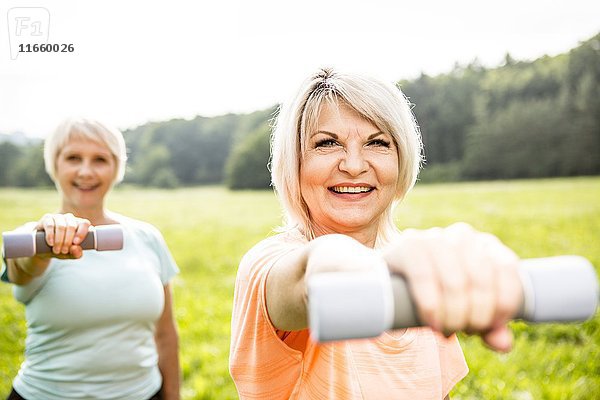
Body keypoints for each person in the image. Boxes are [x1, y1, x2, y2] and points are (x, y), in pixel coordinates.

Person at [229, 68, 523, 399]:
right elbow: (314, 274)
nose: (354, 165)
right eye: (327, 143)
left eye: (377, 142)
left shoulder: (418, 276)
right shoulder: (266, 265)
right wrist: (383, 268)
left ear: (400, 159)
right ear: (295, 162)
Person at [1, 118, 180, 400]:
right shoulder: (32, 238)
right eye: (73, 158)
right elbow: (23, 270)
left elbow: (166, 335)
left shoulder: (147, 237)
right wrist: (44, 245)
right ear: (54, 164)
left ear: (115, 168)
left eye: (100, 159)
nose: (86, 171)